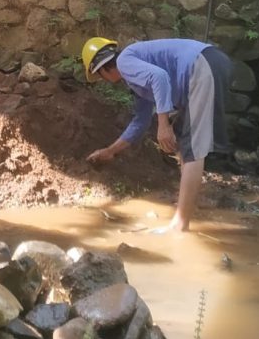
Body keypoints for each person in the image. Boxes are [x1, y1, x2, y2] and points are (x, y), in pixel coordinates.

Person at [83, 36, 232, 232]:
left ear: (102, 68)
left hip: (202, 66)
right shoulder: (135, 79)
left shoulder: (125, 61)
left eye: (100, 76)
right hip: (209, 64)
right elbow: (141, 121)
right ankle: (185, 206)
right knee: (183, 142)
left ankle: (180, 224)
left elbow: (159, 77)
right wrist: (111, 151)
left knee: (192, 147)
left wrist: (163, 124)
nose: (104, 81)